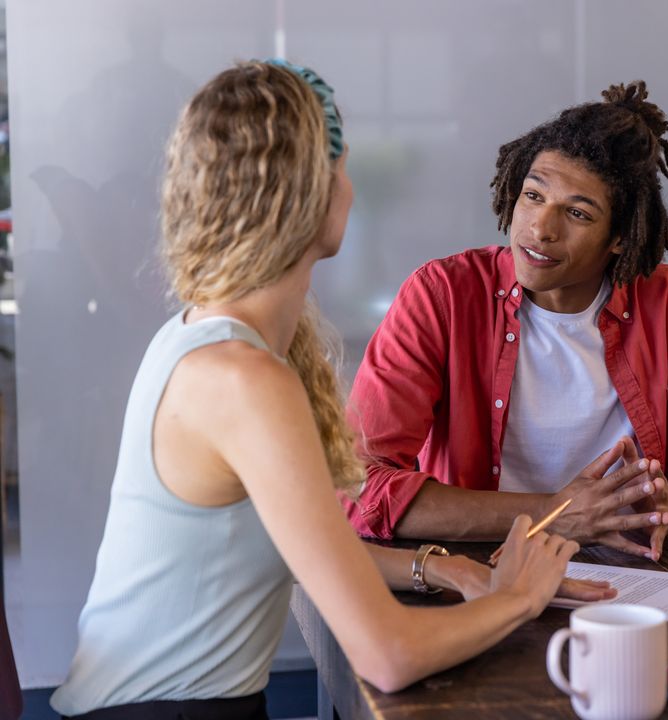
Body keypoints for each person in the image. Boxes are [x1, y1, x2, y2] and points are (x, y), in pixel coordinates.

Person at [51, 61, 611, 720]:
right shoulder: (244, 380)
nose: (351, 186)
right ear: (308, 192)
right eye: (342, 168)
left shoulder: (209, 336)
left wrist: (444, 568)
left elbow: (305, 544)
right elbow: (389, 655)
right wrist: (518, 596)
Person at [342, 80, 668, 561]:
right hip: (480, 575)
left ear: (620, 238)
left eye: (577, 213)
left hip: (639, 580)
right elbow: (354, 485)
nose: (541, 228)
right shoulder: (442, 296)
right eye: (533, 196)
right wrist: (553, 513)